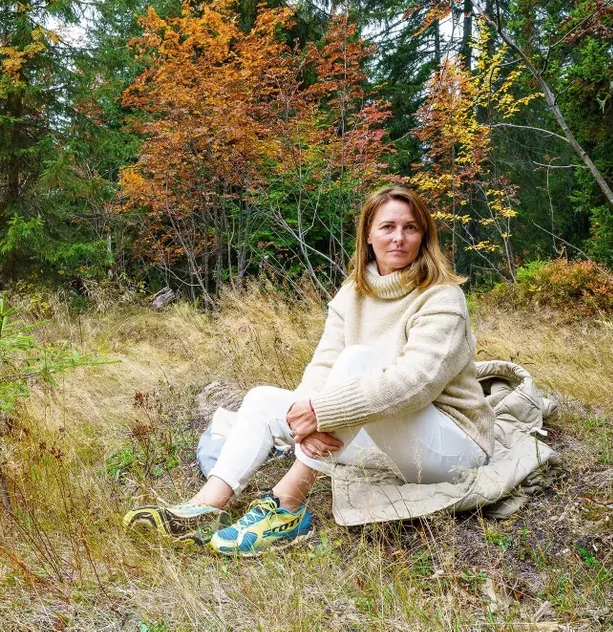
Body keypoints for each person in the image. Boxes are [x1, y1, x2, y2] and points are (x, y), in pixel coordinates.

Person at [123, 186, 495, 556]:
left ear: (424, 236)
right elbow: (323, 366)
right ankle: (207, 505)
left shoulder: (442, 296)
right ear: (368, 234)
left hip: (450, 448)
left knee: (358, 362)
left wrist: (323, 413)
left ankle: (287, 506)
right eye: (387, 227)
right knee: (262, 400)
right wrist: (306, 421)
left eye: (411, 228)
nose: (399, 237)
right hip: (389, 440)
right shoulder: (353, 294)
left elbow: (417, 382)